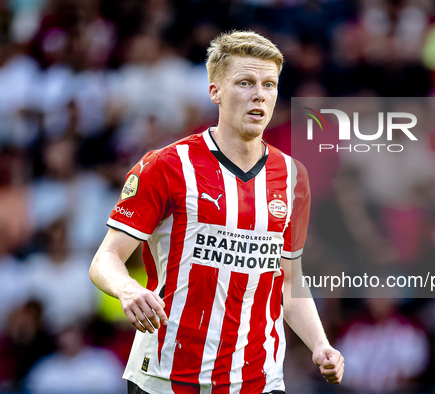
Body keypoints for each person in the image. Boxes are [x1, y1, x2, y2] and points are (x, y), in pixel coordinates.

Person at [89, 31, 344, 394]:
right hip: (166, 378)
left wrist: (320, 344)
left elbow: (287, 279)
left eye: (269, 84)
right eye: (245, 82)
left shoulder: (292, 177)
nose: (260, 94)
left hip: (259, 380)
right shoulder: (166, 166)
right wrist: (126, 288)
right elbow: (105, 258)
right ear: (215, 92)